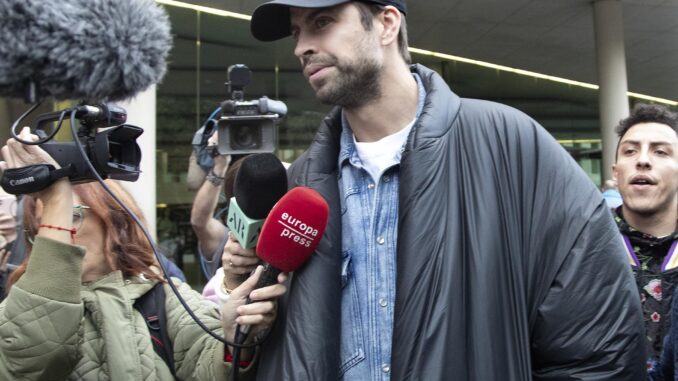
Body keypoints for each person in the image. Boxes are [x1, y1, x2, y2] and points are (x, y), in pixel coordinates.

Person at [235, 0, 647, 379]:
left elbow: (598, 342)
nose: (302, 47)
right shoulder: (300, 186)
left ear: (387, 24)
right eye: (296, 33)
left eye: (321, 23)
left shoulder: (510, 145)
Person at [0, 128, 287, 380]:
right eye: (45, 226)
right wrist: (56, 199)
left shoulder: (162, 296)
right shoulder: (15, 310)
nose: (58, 233)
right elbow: (35, 358)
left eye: (70, 216)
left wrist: (231, 337)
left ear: (114, 221)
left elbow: (209, 365)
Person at [607, 104, 678, 376]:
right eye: (630, 151)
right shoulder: (583, 247)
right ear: (616, 172)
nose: (643, 160)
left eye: (660, 151)